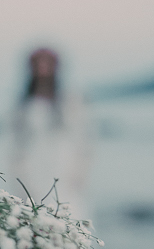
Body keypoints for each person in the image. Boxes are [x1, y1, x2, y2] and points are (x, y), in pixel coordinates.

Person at [7, 48, 93, 220]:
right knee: (33, 213)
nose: (43, 69)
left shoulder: (71, 99)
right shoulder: (23, 104)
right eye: (39, 64)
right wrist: (18, 174)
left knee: (69, 213)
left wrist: (80, 173)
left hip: (64, 165)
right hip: (33, 165)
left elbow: (84, 139)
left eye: (48, 64)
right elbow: (14, 142)